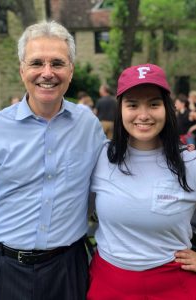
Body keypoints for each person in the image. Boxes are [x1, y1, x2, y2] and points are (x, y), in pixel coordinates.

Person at [0, 20, 105, 300]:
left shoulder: (88, 126)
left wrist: (173, 153)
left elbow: (114, 177)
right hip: (3, 271)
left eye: (57, 63)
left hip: (68, 269)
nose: (47, 73)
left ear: (71, 70)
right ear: (22, 70)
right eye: (36, 63)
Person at [87, 64, 196, 300]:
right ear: (120, 110)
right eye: (133, 104)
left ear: (167, 108)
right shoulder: (99, 157)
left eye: (154, 104)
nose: (143, 115)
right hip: (108, 285)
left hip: (174, 285)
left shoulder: (190, 161)